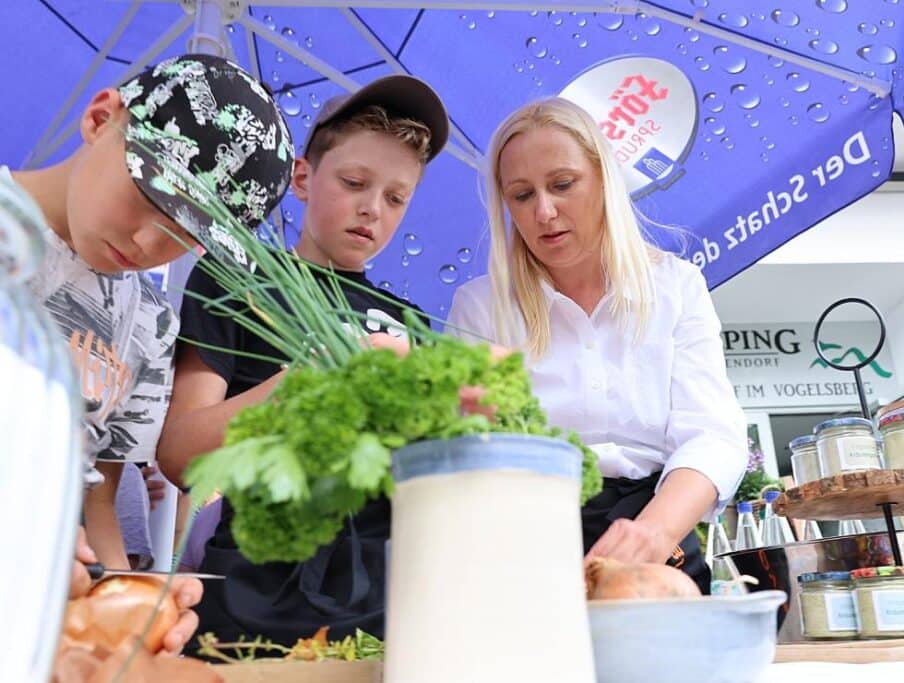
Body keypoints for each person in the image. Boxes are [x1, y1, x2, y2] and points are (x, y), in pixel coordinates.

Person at [154, 76, 450, 648]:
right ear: (302, 178)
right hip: (250, 591)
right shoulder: (237, 278)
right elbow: (179, 453)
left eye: (396, 198)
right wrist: (298, 385)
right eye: (354, 182)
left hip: (386, 596)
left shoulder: (410, 323)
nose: (372, 209)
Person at [4, 53, 293, 572]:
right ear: (100, 119)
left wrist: (129, 600)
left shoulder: (150, 325)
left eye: (187, 233)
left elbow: (98, 505)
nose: (146, 242)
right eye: (149, 194)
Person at [446, 98, 747, 590]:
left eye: (563, 185)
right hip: (528, 540)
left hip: (657, 529)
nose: (545, 211)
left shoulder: (675, 286)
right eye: (522, 195)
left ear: (604, 179)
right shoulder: (481, 307)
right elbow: (469, 456)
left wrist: (653, 532)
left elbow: (714, 436)